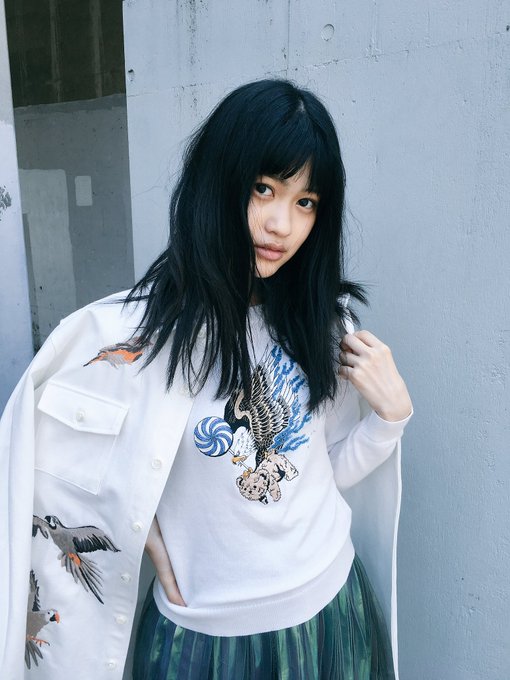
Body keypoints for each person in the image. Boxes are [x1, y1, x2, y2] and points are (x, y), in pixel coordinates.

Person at [0, 79, 412, 680]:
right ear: (217, 183)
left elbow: (315, 471)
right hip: (202, 639)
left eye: (305, 202)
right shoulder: (133, 338)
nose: (281, 224)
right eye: (264, 189)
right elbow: (37, 463)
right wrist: (127, 520)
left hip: (330, 610)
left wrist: (390, 419)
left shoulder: (320, 324)